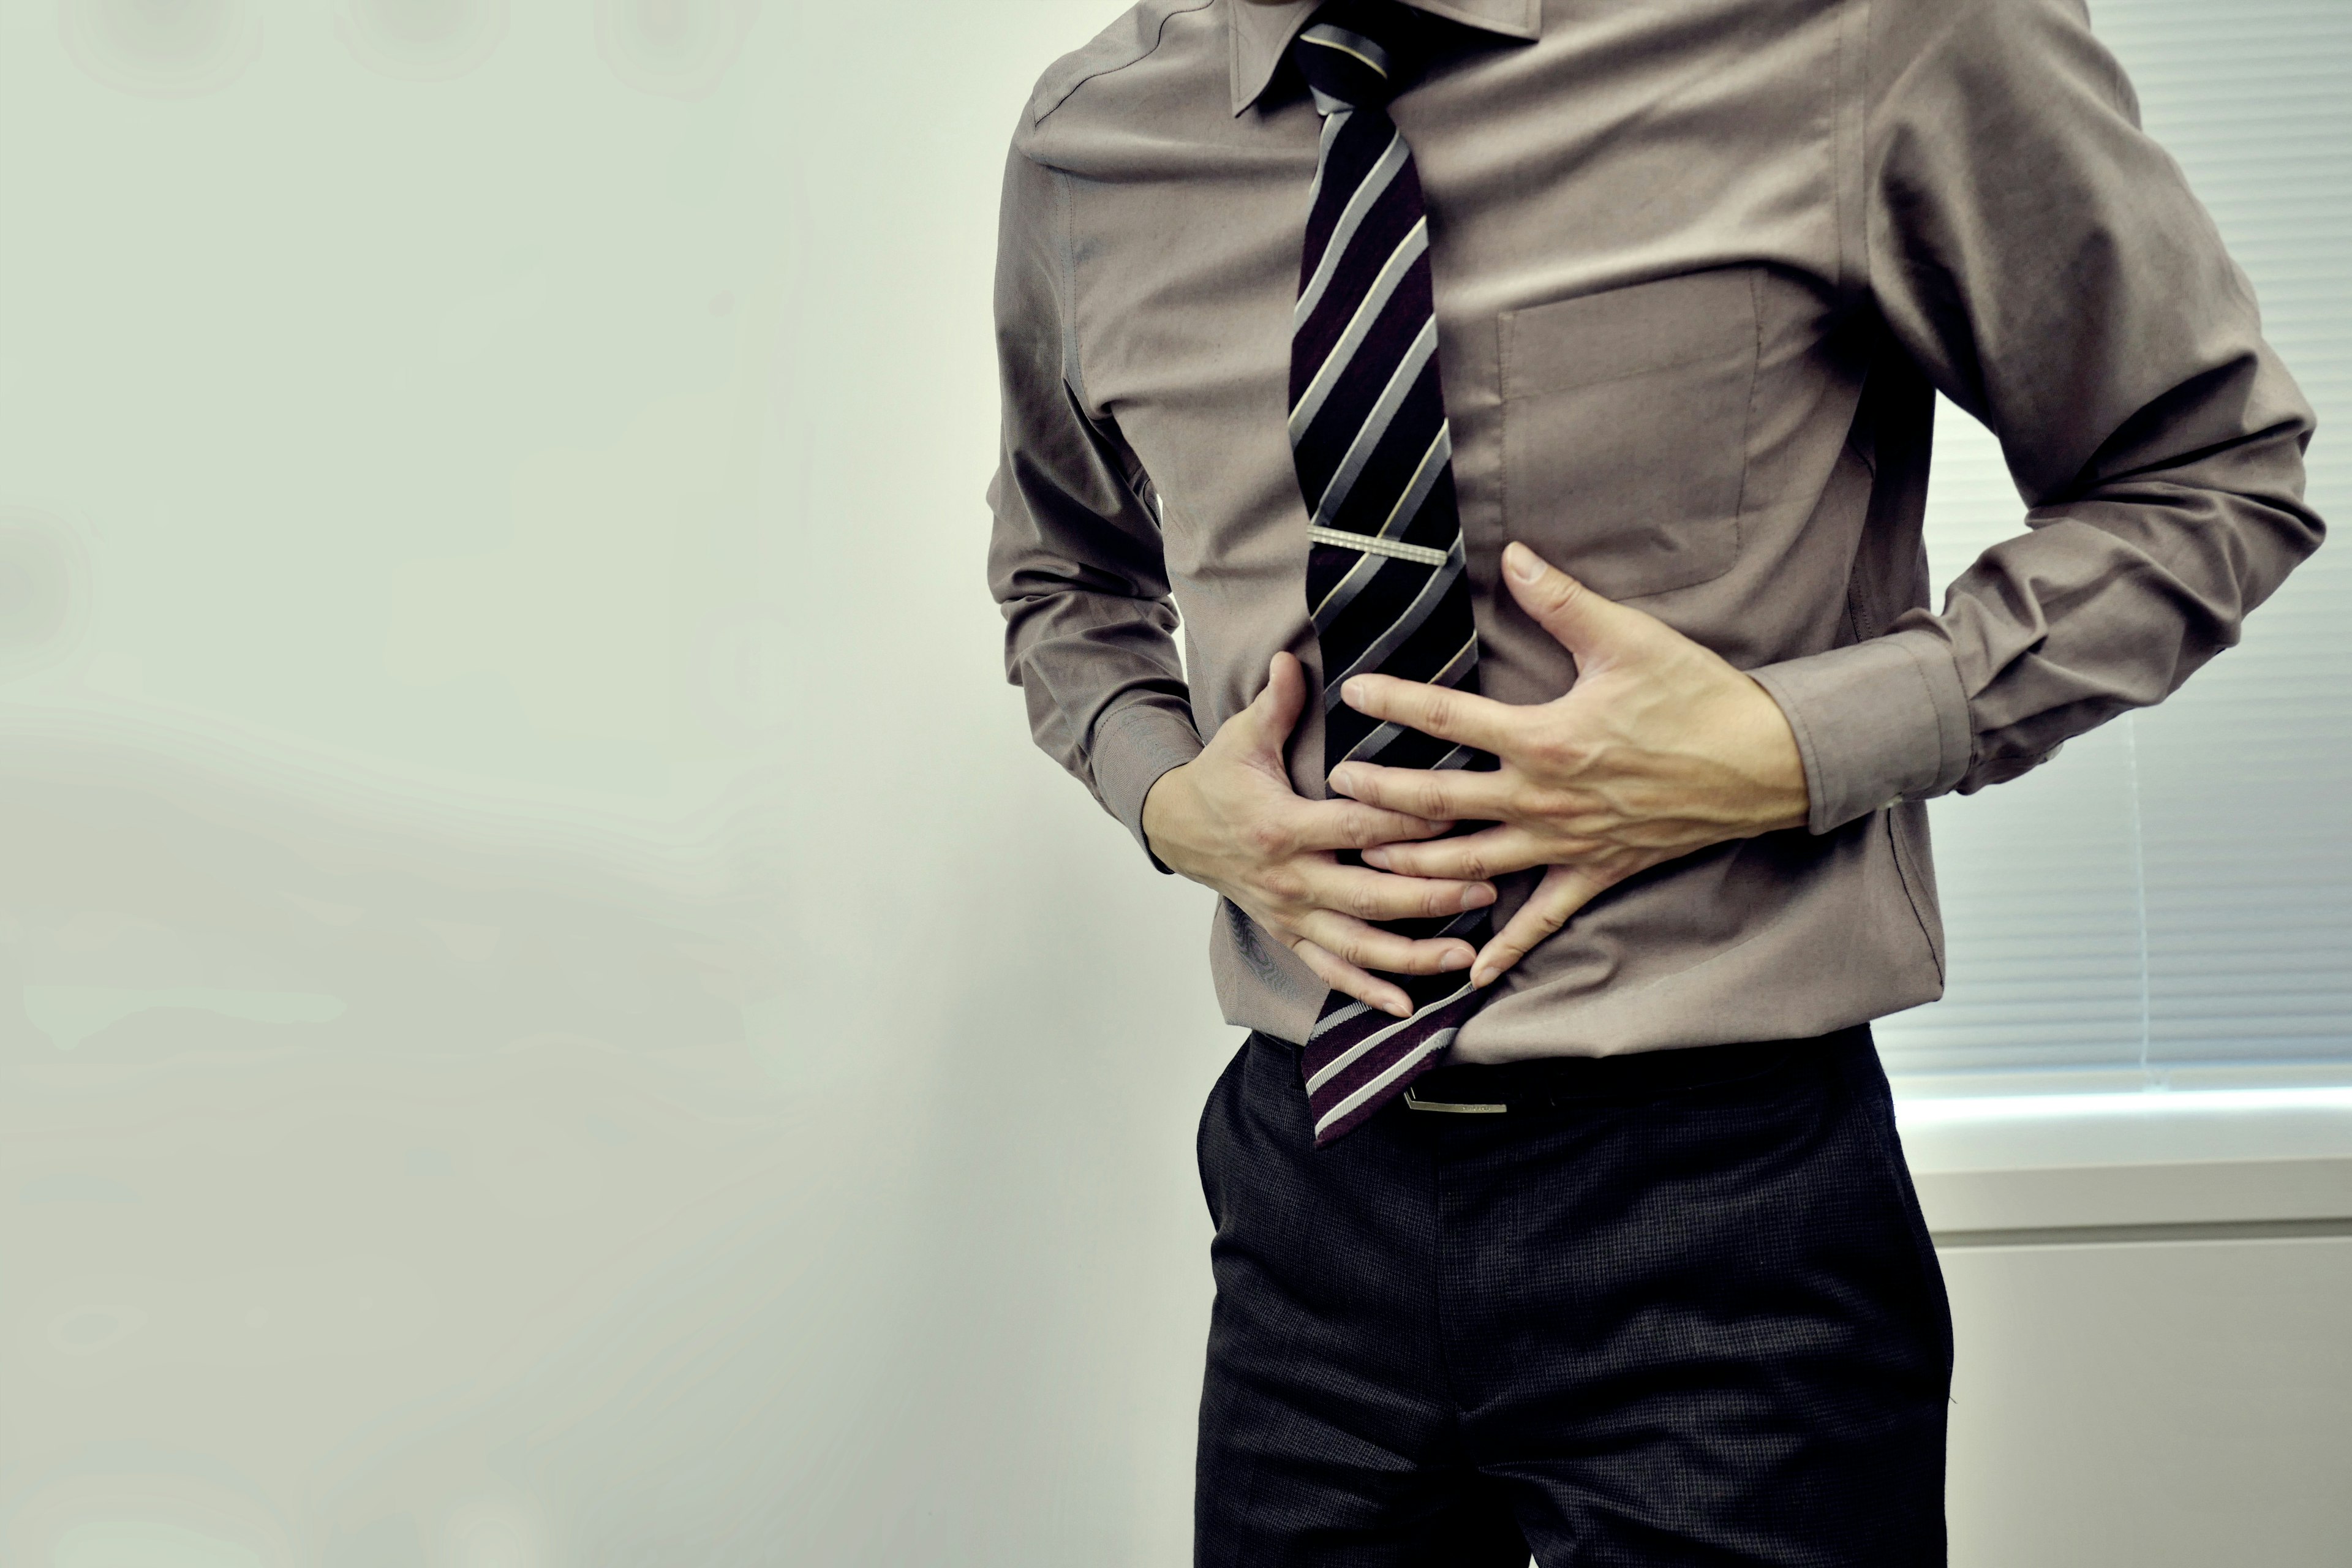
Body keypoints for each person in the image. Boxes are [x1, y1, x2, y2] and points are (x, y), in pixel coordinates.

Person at [984, 0, 2321, 1560]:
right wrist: (1167, 795)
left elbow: (2212, 475)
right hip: (1310, 1192)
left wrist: (1795, 742)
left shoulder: (1874, 34)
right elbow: (1061, 579)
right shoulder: (1100, 138)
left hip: (1726, 1206)